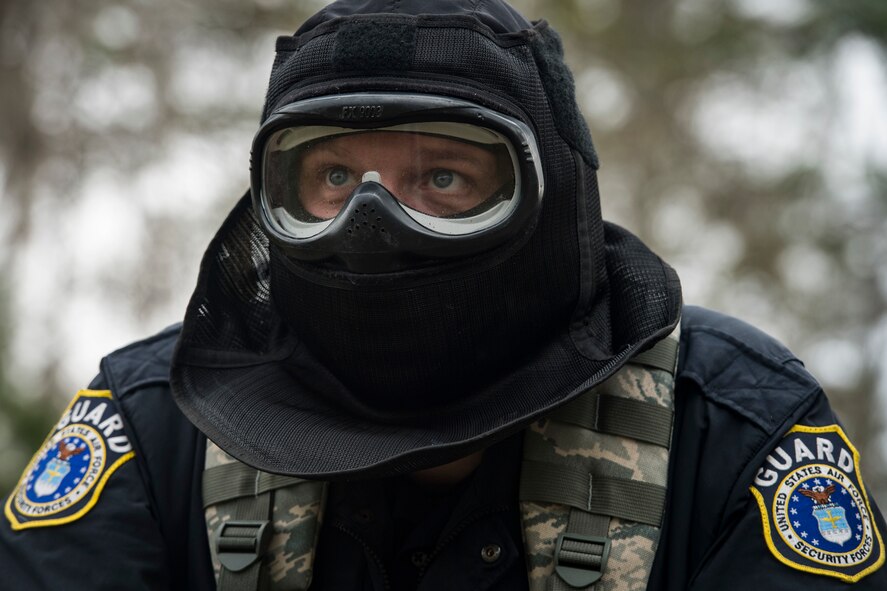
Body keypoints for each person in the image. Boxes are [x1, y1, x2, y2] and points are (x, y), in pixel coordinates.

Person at [1, 0, 884, 589]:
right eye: (336, 173)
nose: (372, 223)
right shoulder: (157, 425)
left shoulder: (732, 433)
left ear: (549, 196)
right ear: (272, 196)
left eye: (446, 178)